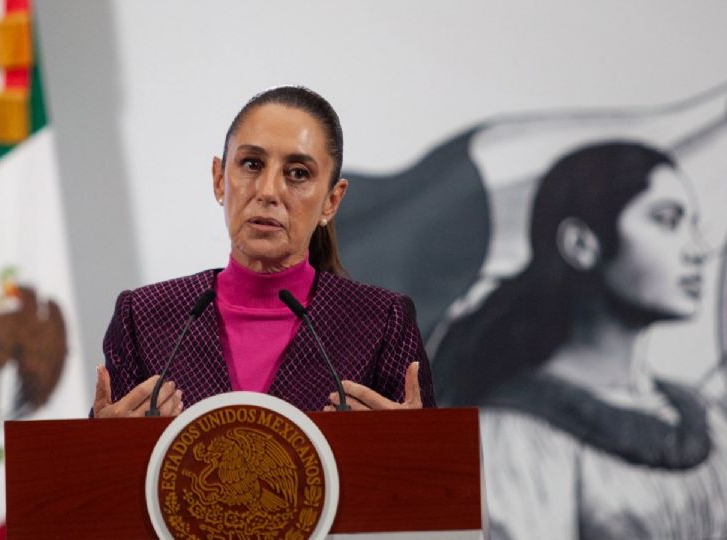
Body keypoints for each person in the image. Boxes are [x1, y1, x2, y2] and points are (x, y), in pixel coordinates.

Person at [432, 141, 727, 539]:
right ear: (581, 244)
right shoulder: (512, 438)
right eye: (667, 220)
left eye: (693, 225)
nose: (697, 251)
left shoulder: (708, 418)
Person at [92, 86, 436, 418]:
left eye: (298, 173)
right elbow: (94, 470)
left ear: (332, 201)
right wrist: (106, 445)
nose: (268, 191)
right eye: (252, 164)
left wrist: (406, 445)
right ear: (218, 179)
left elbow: (431, 469)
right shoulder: (144, 318)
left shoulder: (381, 322)